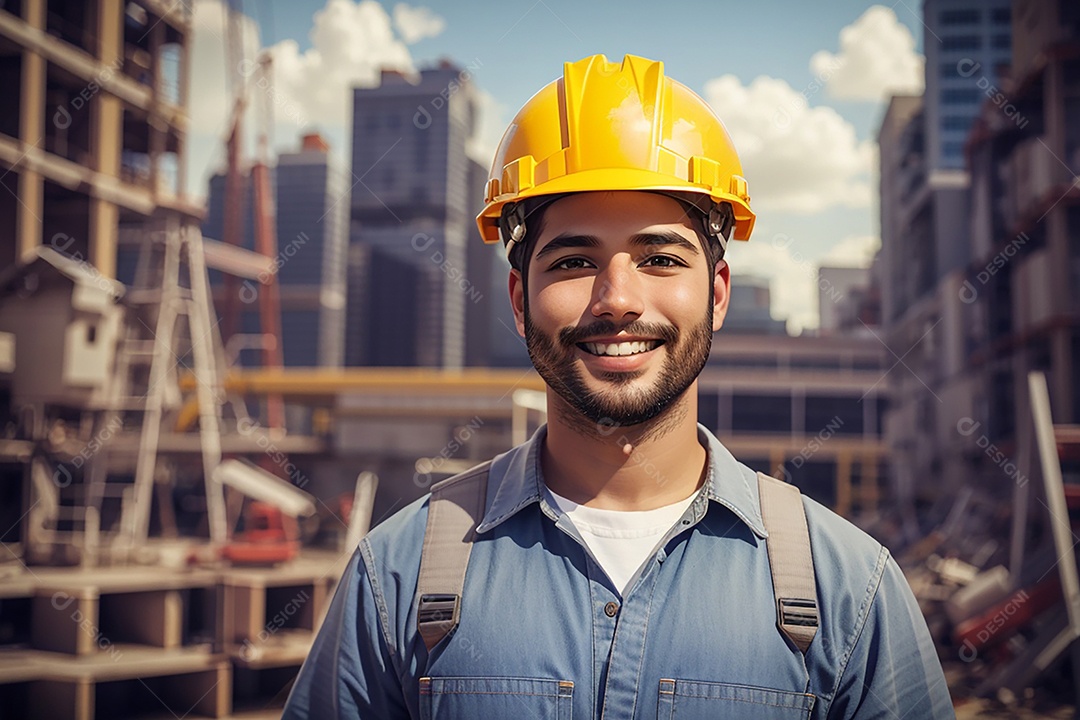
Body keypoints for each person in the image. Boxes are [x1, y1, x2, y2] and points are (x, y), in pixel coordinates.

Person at [282, 53, 954, 720]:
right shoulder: (394, 579)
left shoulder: (851, 590)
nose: (617, 300)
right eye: (575, 260)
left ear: (717, 295)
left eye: (660, 258)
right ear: (519, 300)